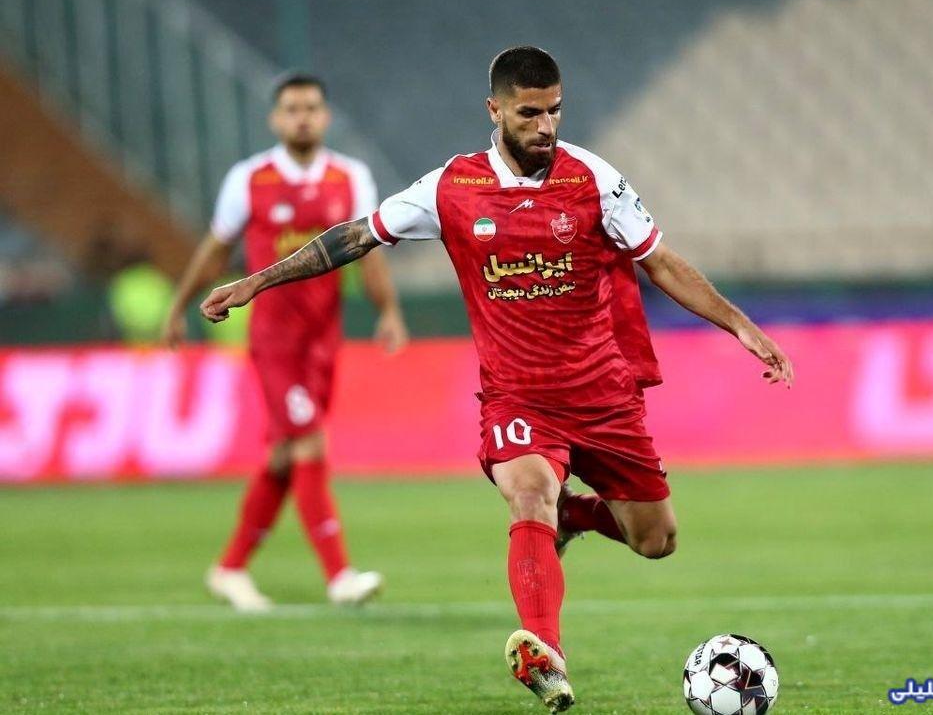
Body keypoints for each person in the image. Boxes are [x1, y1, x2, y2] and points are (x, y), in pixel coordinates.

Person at [199, 47, 792, 710]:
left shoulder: (593, 179)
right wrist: (255, 282)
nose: (546, 125)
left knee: (656, 540)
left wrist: (742, 326)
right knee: (529, 496)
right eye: (530, 113)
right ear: (496, 110)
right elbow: (355, 237)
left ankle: (574, 513)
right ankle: (547, 654)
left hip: (603, 395)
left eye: (555, 111)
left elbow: (661, 262)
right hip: (518, 397)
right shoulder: (450, 188)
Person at [164, 73, 408, 611]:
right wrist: (180, 306)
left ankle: (229, 569)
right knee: (309, 444)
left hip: (324, 340)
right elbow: (216, 249)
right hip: (275, 341)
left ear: (325, 117)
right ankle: (340, 576)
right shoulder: (249, 179)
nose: (302, 117)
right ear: (276, 119)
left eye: (311, 108)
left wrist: (388, 311)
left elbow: (367, 251)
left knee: (283, 456)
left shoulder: (351, 177)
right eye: (292, 109)